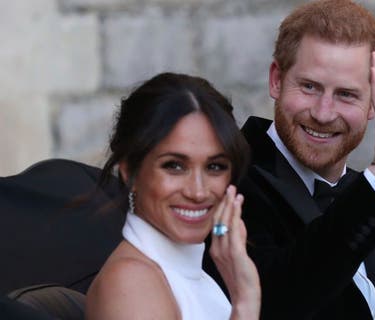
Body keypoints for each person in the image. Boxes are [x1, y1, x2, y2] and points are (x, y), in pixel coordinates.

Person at [203, 0, 375, 319]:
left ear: (372, 106)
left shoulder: (364, 193)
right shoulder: (227, 182)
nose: (323, 113)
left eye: (346, 94)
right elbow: (278, 302)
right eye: (309, 87)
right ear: (276, 81)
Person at [86, 73, 261, 320]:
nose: (198, 192)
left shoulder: (191, 274)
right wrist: (245, 303)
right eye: (174, 166)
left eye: (215, 167)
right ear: (130, 172)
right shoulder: (131, 284)